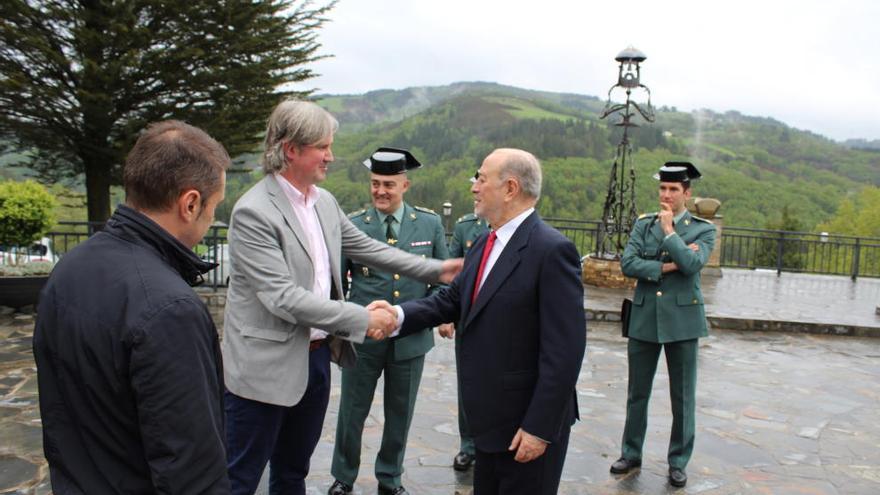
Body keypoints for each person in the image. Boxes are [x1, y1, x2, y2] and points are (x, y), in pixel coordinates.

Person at [221, 100, 462, 495]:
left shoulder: (323, 202)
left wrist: (437, 269)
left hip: (314, 359)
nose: (331, 157)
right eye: (322, 147)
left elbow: (368, 248)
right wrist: (361, 319)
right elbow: (283, 298)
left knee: (293, 471)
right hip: (263, 371)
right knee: (242, 477)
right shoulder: (254, 212)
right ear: (291, 149)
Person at [33, 121, 231, 493]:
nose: (211, 221)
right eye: (214, 207)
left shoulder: (70, 267)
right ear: (190, 204)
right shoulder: (170, 309)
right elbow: (192, 469)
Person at [380, 148, 586, 494]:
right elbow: (451, 300)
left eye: (481, 178)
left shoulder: (551, 250)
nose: (474, 187)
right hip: (489, 422)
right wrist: (396, 315)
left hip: (525, 426)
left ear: (510, 188)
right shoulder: (485, 242)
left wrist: (539, 427)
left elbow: (564, 352)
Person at [329, 148, 449, 495]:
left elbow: (441, 279)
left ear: (405, 185)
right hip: (362, 337)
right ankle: (343, 476)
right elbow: (338, 281)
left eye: (388, 185)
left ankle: (390, 478)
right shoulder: (353, 224)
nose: (380, 191)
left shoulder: (428, 223)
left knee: (400, 412)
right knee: (352, 411)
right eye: (375, 184)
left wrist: (444, 317)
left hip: (410, 336)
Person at [610, 162, 716, 488]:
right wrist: (669, 265)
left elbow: (693, 263)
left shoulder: (702, 229)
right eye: (663, 189)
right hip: (643, 318)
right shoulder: (644, 224)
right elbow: (628, 264)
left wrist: (671, 233)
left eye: (673, 190)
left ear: (687, 193)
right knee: (636, 393)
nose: (666, 195)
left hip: (683, 322)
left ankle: (678, 461)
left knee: (682, 397)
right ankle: (631, 452)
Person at [439, 184, 491, 472]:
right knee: (468, 384)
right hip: (468, 316)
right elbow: (452, 275)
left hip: (499, 322)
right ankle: (468, 445)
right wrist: (446, 316)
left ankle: (491, 443)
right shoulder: (465, 227)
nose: (474, 193)